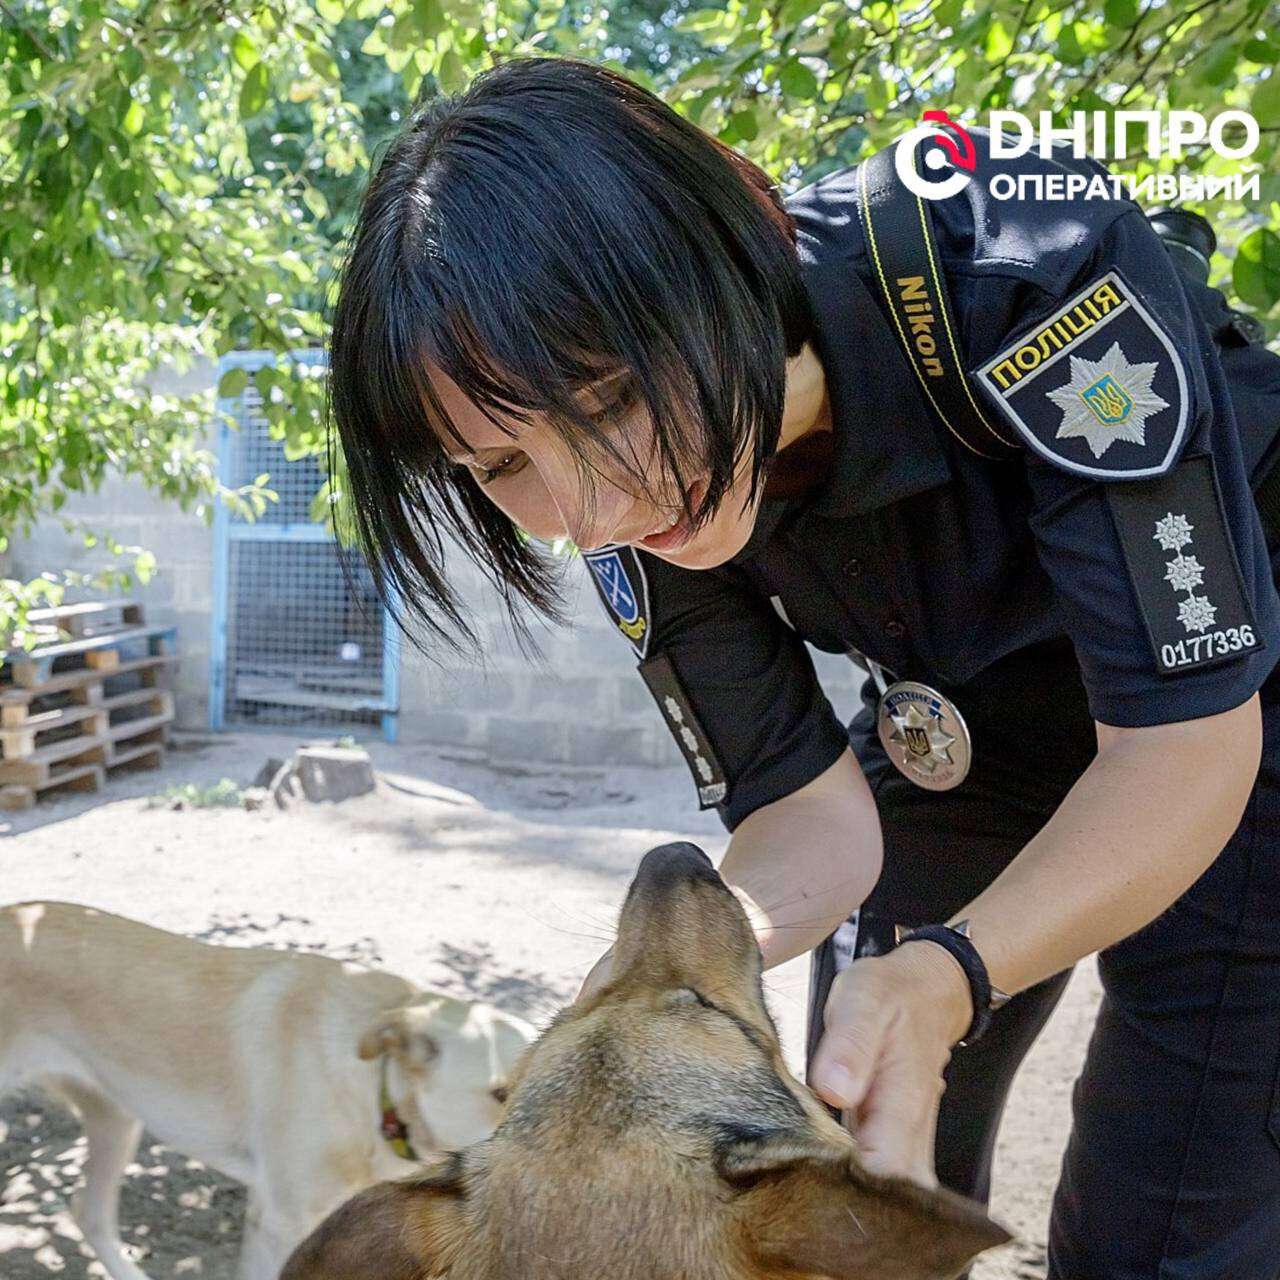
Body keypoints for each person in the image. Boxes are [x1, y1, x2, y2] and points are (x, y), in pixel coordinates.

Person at [326, 56, 1280, 1279]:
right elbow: (802, 815)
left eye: (605, 397)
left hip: (1226, 708)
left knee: (1164, 1205)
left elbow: (1181, 747)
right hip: (967, 724)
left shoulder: (1017, 256)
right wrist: (660, 979)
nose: (580, 510)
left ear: (729, 242)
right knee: (852, 1132)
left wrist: (960, 966)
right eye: (498, 468)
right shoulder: (639, 503)